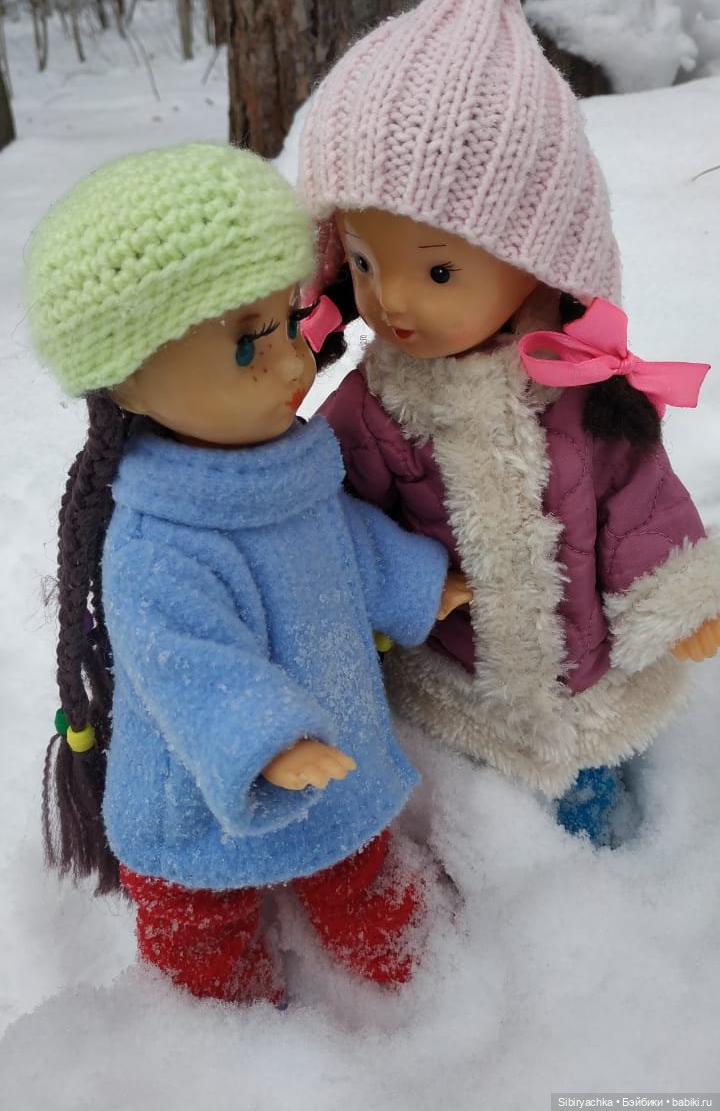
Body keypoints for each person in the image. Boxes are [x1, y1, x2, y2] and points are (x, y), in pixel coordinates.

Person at [297, 0, 720, 843]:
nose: (392, 302)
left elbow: (636, 494)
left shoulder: (579, 380)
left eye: (439, 271)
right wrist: (402, 583)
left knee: (588, 799)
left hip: (587, 681)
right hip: (452, 680)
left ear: (539, 257)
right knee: (474, 822)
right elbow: (333, 515)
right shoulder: (370, 404)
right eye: (362, 261)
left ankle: (611, 863)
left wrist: (677, 596)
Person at [26, 143, 470, 1005]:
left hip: (332, 753)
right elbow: (187, 663)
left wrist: (416, 583)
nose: (293, 364)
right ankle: (227, 1039)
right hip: (203, 789)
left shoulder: (291, 465)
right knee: (199, 936)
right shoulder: (155, 542)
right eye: (246, 347)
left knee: (367, 880)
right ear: (129, 385)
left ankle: (433, 989)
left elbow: (342, 545)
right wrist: (264, 741)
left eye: (288, 325)